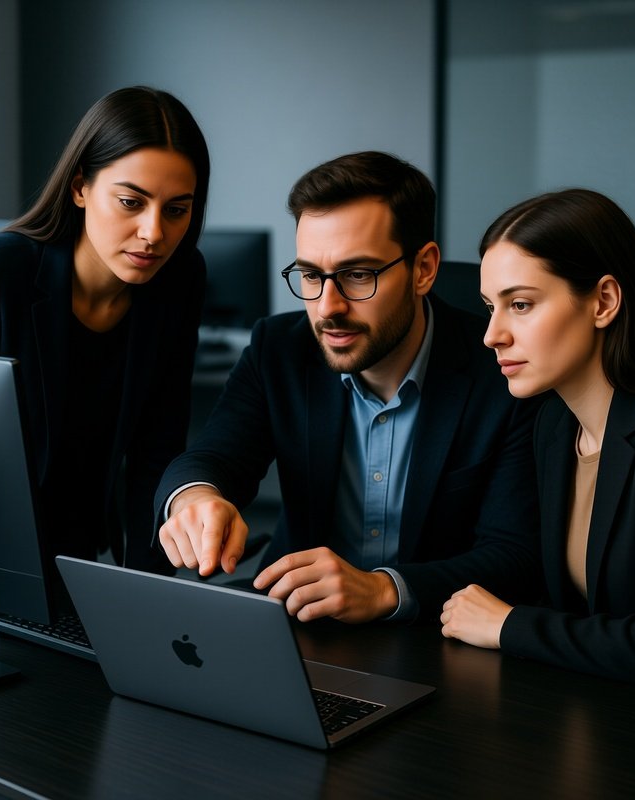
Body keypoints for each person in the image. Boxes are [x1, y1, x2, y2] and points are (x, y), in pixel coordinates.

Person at [156, 150, 542, 624]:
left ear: (423, 268)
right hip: (297, 625)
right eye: (311, 276)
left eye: (358, 275)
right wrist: (197, 497)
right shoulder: (279, 348)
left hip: (439, 638)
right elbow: (213, 456)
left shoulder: (504, 370)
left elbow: (515, 555)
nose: (326, 308)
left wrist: (383, 589)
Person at [440, 188, 635, 691]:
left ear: (603, 301)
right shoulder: (554, 424)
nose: (493, 334)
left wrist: (508, 624)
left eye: (520, 304)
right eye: (490, 307)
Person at [0, 85, 210, 576]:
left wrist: (146, 596)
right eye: (131, 201)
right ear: (80, 186)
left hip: (84, 553)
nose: (154, 233)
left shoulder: (180, 280)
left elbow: (158, 446)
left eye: (176, 209)